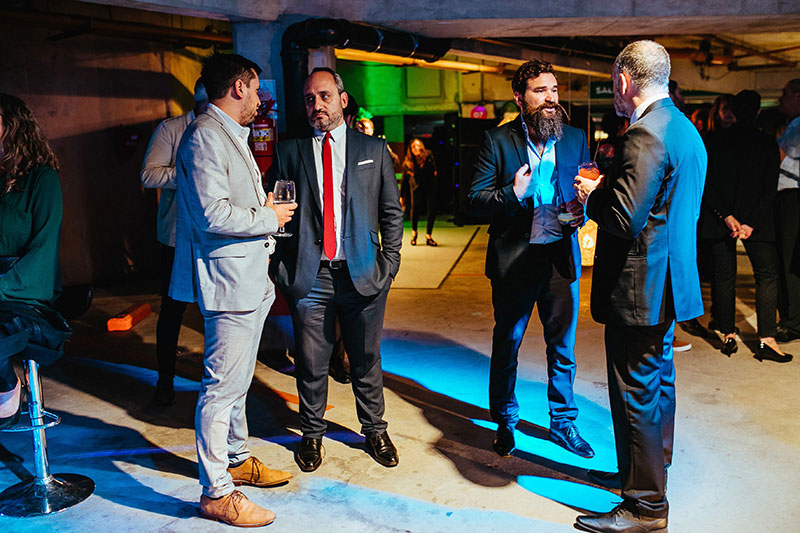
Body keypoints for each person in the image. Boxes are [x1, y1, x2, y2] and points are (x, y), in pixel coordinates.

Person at [574, 40, 707, 532]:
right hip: (668, 283)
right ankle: (649, 471)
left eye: (614, 83)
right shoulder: (685, 128)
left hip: (640, 288)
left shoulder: (644, 134)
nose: (614, 91)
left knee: (634, 393)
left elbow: (623, 218)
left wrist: (592, 195)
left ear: (624, 81)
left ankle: (645, 506)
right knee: (658, 384)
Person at [169, 53, 296, 527]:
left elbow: (228, 202)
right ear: (239, 87)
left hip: (249, 279)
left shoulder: (228, 133)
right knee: (221, 389)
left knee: (239, 383)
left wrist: (262, 204)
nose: (260, 99)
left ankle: (237, 459)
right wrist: (269, 216)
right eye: (257, 89)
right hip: (228, 283)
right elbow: (212, 214)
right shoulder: (205, 135)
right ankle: (217, 491)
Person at [268, 67, 403, 473]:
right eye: (309, 99)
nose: (317, 105)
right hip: (311, 277)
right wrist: (281, 268)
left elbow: (391, 212)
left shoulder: (373, 149)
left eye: (325, 96)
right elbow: (275, 212)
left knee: (365, 358)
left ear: (343, 100)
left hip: (364, 272)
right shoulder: (289, 152)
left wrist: (389, 264)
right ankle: (311, 434)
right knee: (311, 362)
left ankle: (374, 430)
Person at [468, 59, 594, 460]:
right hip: (514, 264)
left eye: (554, 90)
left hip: (559, 259)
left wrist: (581, 210)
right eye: (541, 91)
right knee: (508, 346)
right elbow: (473, 201)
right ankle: (505, 421)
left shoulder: (574, 138)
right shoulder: (497, 141)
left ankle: (563, 423)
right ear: (520, 98)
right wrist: (514, 194)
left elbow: (586, 187)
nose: (551, 99)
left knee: (563, 349)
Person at [700, 90, 791, 362]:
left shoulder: (714, 142)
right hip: (757, 221)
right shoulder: (767, 143)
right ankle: (767, 339)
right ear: (758, 112)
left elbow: (708, 185)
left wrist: (727, 217)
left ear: (733, 112)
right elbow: (769, 189)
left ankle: (728, 334)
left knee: (724, 276)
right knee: (766, 275)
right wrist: (750, 222)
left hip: (721, 221)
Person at [0, 94, 67, 429]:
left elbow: (43, 251)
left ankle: (7, 385)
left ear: (13, 127)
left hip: (25, 293)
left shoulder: (42, 180)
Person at [140, 78, 209, 407]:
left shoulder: (229, 129)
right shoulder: (171, 129)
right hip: (176, 238)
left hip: (212, 237)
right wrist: (189, 175)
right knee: (171, 312)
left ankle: (215, 384)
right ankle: (164, 382)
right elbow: (148, 174)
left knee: (215, 313)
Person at [775, 78, 800, 343]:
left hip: (791, 198)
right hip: (791, 198)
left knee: (788, 260)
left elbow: (780, 156)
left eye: (785, 94)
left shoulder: (798, 126)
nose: (780, 99)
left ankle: (793, 323)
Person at [403, 138, 439, 246]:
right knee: (415, 209)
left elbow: (434, 170)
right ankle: (414, 234)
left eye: (418, 145)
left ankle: (429, 236)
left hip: (429, 185)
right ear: (410, 149)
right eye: (413, 147)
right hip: (416, 187)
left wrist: (425, 161)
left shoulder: (428, 155)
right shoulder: (409, 161)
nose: (416, 148)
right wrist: (400, 195)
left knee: (431, 209)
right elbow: (405, 179)